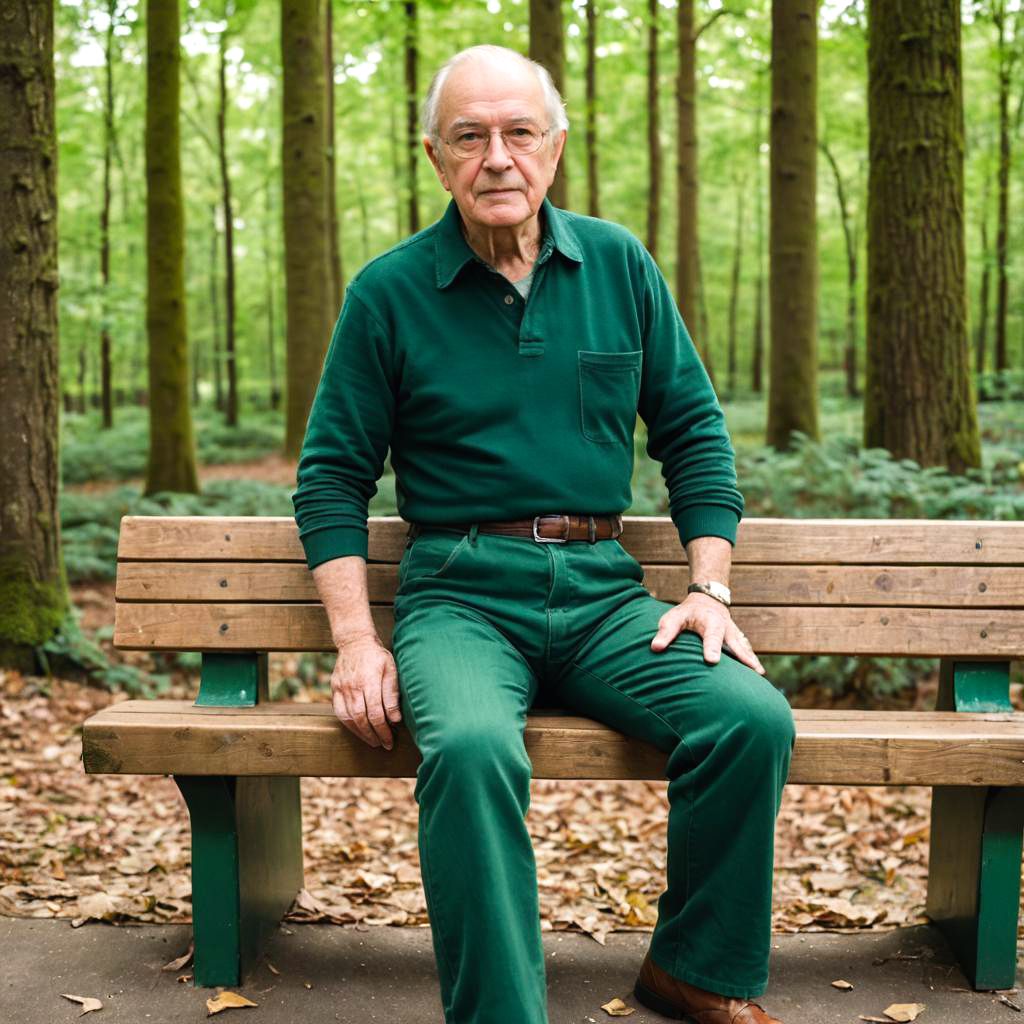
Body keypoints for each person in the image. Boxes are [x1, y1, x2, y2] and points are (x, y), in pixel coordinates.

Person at [291, 43, 795, 1024]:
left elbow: (692, 433)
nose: (497, 158)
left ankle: (694, 967)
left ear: (553, 148)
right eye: (469, 136)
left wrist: (707, 587)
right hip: (461, 591)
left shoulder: (617, 265)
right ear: (434, 157)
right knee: (474, 746)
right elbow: (331, 478)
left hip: (605, 592)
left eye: (519, 133)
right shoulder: (387, 294)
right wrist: (356, 639)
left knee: (749, 720)